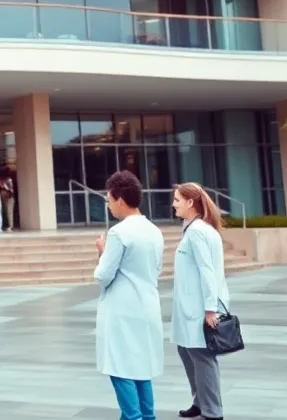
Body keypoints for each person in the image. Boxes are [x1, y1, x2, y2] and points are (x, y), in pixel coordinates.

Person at [94, 171, 164, 420]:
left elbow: (103, 275)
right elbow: (157, 269)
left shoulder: (118, 233)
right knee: (141, 369)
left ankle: (133, 417)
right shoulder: (154, 230)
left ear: (120, 199)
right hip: (147, 305)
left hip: (122, 309)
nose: (108, 204)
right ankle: (147, 416)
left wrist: (102, 252)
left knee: (121, 368)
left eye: (109, 199)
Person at [172, 182, 230, 420]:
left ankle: (212, 411)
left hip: (200, 308)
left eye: (177, 199)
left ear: (190, 202)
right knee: (186, 350)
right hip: (190, 306)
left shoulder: (197, 232)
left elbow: (207, 271)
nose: (173, 204)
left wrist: (210, 309)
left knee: (202, 356)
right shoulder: (194, 228)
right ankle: (200, 401)